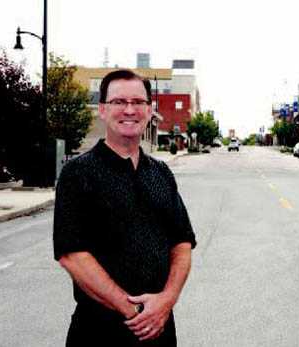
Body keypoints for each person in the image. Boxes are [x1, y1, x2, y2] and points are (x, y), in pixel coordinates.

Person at [53, 70, 196, 346]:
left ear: (149, 110)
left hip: (160, 328)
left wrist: (167, 300)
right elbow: (72, 255)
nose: (129, 110)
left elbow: (182, 242)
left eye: (137, 102)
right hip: (98, 331)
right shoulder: (78, 174)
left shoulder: (161, 173)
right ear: (103, 110)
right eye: (119, 102)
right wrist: (136, 312)